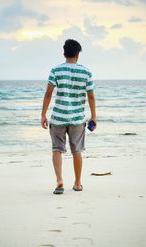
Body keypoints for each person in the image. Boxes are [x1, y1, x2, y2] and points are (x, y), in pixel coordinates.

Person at [41, 39, 96, 195]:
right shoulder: (86, 72)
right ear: (78, 54)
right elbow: (91, 97)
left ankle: (59, 181)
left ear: (64, 53)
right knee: (76, 150)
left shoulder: (55, 70)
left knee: (57, 149)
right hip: (77, 119)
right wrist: (94, 117)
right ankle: (78, 183)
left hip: (58, 117)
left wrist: (43, 114)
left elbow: (48, 94)